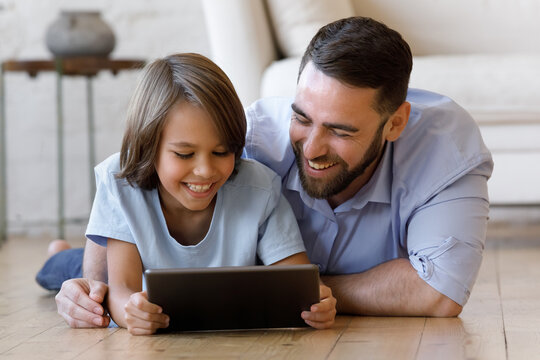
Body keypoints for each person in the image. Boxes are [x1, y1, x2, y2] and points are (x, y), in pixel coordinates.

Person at [42, 16, 493, 326]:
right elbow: (131, 193)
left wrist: (291, 292)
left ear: (394, 122)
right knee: (64, 270)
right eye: (302, 117)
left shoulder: (447, 154)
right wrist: (93, 291)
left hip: (231, 269)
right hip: (165, 259)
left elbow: (438, 293)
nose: (311, 148)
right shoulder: (253, 138)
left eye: (339, 130)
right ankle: (58, 254)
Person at [40, 53, 336, 334]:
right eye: (184, 154)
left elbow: (300, 285)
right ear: (149, 146)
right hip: (119, 259)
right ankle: (60, 252)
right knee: (74, 274)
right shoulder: (123, 182)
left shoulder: (259, 187)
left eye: (221, 152)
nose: (205, 171)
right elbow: (121, 291)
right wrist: (132, 312)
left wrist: (317, 302)